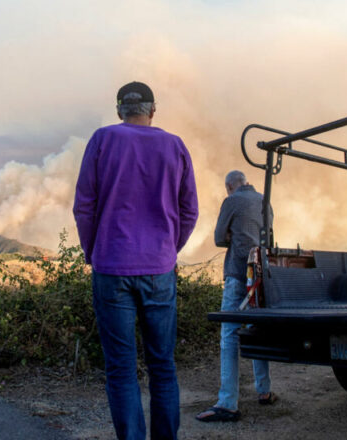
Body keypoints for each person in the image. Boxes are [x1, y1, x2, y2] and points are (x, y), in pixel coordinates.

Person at [73, 81, 199, 440]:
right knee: (162, 366)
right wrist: (168, 249)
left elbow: (84, 206)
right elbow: (189, 209)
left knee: (121, 370)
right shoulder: (174, 146)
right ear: (153, 110)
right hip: (158, 269)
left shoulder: (101, 139)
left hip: (111, 267)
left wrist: (92, 251)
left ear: (119, 111)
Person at [196, 170, 276, 423]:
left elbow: (220, 238)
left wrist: (232, 234)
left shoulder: (231, 202)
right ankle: (264, 391)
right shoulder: (265, 201)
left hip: (238, 272)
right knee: (257, 330)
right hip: (261, 273)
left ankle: (228, 402)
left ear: (229, 186)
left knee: (229, 334)